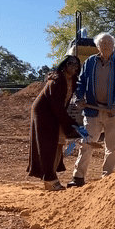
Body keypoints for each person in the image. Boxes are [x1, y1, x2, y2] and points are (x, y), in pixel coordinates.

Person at [69, 32, 115, 187]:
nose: (106, 46)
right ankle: (78, 177)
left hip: (114, 112)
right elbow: (81, 82)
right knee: (87, 142)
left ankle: (107, 178)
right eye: (103, 44)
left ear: (114, 46)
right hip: (92, 111)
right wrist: (80, 98)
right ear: (97, 46)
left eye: (109, 44)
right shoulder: (90, 62)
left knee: (112, 146)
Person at [27, 55, 82, 191]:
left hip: (55, 112)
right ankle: (49, 179)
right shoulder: (57, 81)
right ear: (64, 65)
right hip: (43, 113)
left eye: (77, 65)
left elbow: (62, 106)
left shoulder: (72, 80)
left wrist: (69, 124)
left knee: (58, 142)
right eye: (71, 63)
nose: (74, 67)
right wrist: (70, 125)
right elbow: (56, 107)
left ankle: (52, 176)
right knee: (48, 145)